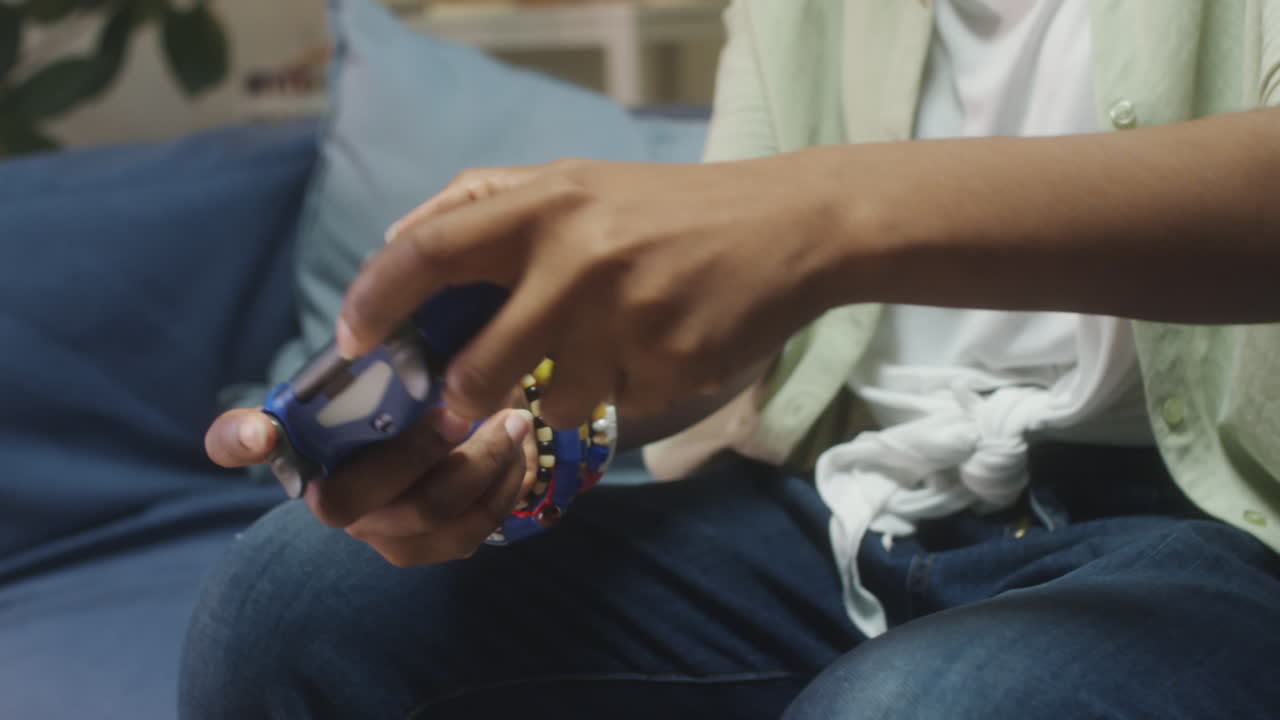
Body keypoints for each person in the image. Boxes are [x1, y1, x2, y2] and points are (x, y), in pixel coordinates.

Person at [181, 1, 1280, 717]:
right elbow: (739, 340)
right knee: (291, 596)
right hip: (845, 487)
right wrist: (534, 407)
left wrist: (815, 216)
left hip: (1206, 528)